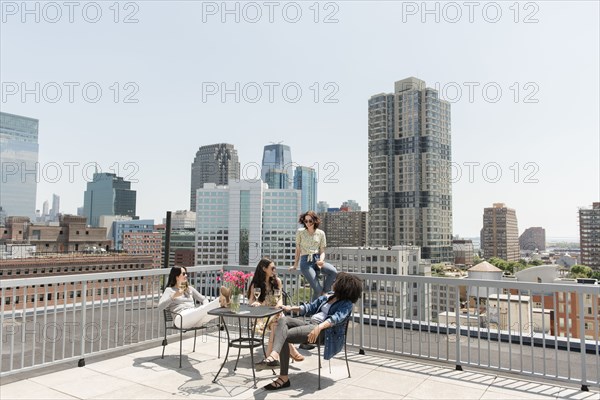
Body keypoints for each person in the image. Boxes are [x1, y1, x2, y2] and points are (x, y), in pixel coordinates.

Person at [256, 272, 363, 391]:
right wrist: (289, 308)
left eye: (336, 281)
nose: (334, 282)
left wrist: (319, 328)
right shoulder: (329, 297)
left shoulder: (346, 304)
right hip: (311, 325)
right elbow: (310, 307)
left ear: (343, 286)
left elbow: (336, 318)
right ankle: (274, 355)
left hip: (324, 333)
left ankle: (283, 377)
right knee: (283, 320)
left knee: (284, 336)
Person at [247, 258, 304, 362]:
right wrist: (256, 303)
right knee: (279, 323)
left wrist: (278, 306)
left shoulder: (277, 281)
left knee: (276, 324)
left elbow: (280, 300)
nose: (274, 270)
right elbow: (251, 301)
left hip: (275, 313)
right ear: (264, 269)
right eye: (272, 268)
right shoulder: (256, 284)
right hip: (262, 316)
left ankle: (270, 357)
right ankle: (292, 351)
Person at [290, 210, 337, 301]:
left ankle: (326, 291)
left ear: (315, 221)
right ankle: (313, 312)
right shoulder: (300, 232)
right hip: (305, 262)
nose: (307, 223)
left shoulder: (321, 233)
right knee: (317, 290)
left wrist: (321, 261)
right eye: (305, 221)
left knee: (333, 271)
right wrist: (295, 265)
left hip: (317, 260)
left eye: (310, 221)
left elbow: (322, 251)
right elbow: (298, 250)